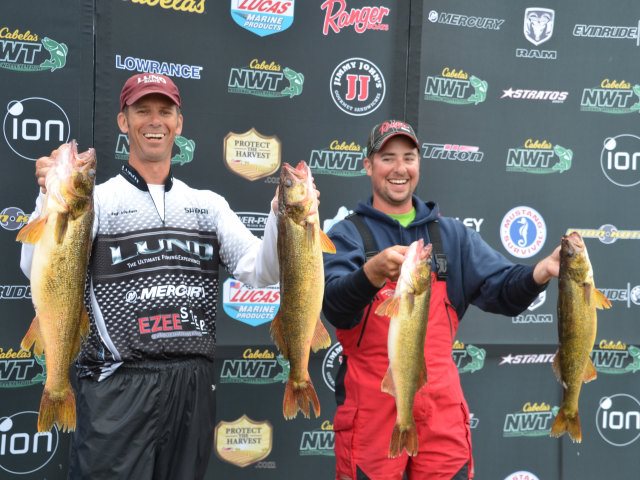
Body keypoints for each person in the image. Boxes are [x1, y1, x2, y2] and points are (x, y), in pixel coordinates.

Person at [20, 73, 282, 479]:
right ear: (123, 121)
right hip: (118, 384)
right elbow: (34, 267)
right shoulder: (95, 200)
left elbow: (261, 272)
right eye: (142, 111)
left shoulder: (208, 205)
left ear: (179, 123)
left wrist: (283, 218)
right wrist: (45, 197)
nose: (154, 121)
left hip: (193, 385)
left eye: (165, 112)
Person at [322, 120, 560, 480]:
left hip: (441, 413)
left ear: (419, 164)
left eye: (409, 157)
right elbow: (335, 307)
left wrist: (540, 272)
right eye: (387, 158)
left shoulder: (452, 235)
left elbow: (504, 292)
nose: (400, 168)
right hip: (370, 413)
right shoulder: (347, 235)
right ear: (368, 165)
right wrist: (371, 273)